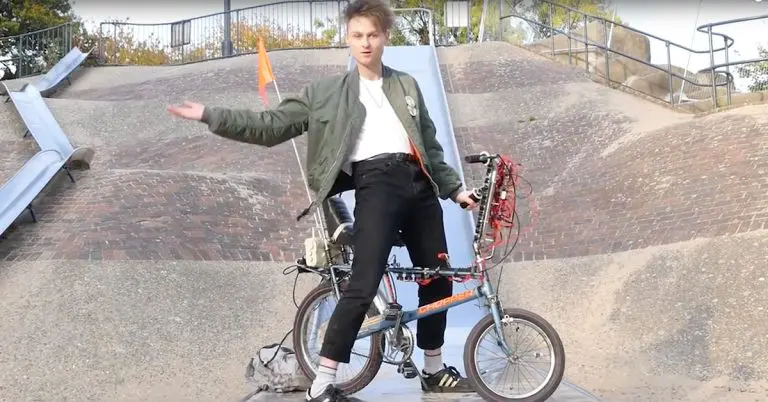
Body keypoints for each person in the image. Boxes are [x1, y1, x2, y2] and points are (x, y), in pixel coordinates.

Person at [167, 0, 478, 400]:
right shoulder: (326, 93)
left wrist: (455, 190)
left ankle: (433, 370)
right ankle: (323, 383)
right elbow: (270, 126)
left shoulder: (406, 85)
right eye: (357, 35)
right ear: (347, 39)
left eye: (372, 35)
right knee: (363, 283)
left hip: (421, 186)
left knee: (439, 277)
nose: (365, 43)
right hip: (376, 183)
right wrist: (211, 115)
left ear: (385, 36)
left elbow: (430, 147)